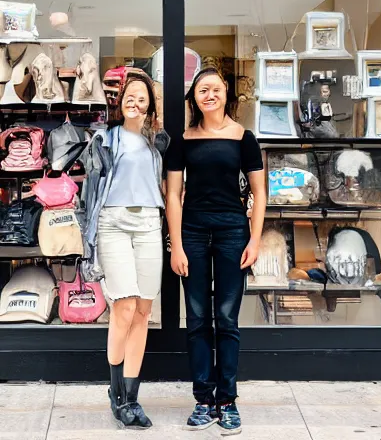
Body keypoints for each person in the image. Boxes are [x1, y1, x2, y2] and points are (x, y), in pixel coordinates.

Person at [166, 67, 266, 436]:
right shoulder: (184, 140)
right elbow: (173, 196)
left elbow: (259, 193)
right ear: (194, 98)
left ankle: (228, 401)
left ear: (227, 94)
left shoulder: (244, 138)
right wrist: (176, 244)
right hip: (191, 232)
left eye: (216, 89)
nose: (209, 95)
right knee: (196, 320)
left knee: (226, 319)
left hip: (232, 232)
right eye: (202, 90)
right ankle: (203, 400)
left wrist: (254, 240)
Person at [82, 70, 168, 429]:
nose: (135, 102)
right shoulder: (106, 138)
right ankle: (116, 392)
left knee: (144, 311)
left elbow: (164, 186)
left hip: (149, 223)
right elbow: (90, 189)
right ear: (120, 102)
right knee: (124, 306)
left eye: (142, 97)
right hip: (113, 223)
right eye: (129, 96)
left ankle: (132, 397)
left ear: (149, 104)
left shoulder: (157, 141)